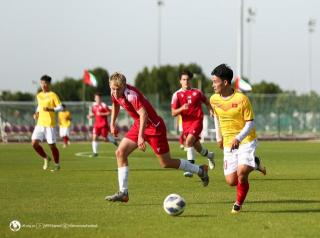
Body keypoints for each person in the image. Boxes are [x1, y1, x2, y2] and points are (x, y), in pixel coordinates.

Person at [105, 72, 209, 202]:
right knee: (120, 152)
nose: (115, 92)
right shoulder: (115, 92)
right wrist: (112, 123)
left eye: (118, 89)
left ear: (124, 86)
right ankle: (123, 192)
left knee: (166, 162)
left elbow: (143, 114)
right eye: (112, 89)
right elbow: (115, 104)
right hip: (139, 125)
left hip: (154, 127)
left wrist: (141, 137)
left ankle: (200, 170)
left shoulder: (131, 95)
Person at [210, 64, 266, 214]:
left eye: (215, 82)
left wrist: (239, 137)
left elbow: (250, 123)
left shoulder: (242, 99)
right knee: (231, 181)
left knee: (242, 173)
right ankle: (255, 162)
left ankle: (238, 204)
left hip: (246, 140)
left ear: (225, 82)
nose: (213, 85)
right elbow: (216, 116)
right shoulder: (214, 99)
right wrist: (218, 137)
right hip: (228, 143)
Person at [171, 70, 216, 178]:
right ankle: (210, 156)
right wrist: (182, 108)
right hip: (186, 124)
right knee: (198, 148)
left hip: (197, 121)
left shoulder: (197, 92)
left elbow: (206, 102)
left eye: (188, 79)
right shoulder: (176, 95)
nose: (186, 81)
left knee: (189, 141)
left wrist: (210, 110)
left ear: (190, 81)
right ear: (180, 81)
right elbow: (173, 113)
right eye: (184, 79)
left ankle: (190, 168)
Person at [31, 75, 63, 171]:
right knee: (34, 143)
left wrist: (50, 109)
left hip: (50, 124)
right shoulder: (39, 95)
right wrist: (36, 113)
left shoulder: (53, 95)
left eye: (45, 83)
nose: (43, 85)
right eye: (41, 83)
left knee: (52, 145)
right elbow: (39, 107)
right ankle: (46, 158)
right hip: (40, 123)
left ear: (49, 84)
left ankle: (57, 165)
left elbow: (60, 107)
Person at [87, 92, 118, 157]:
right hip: (96, 125)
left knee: (105, 138)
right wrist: (90, 116)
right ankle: (95, 153)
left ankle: (113, 141)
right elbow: (95, 113)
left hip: (103, 124)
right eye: (95, 98)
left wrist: (101, 114)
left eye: (98, 98)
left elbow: (109, 113)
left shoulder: (103, 105)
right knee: (94, 137)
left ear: (100, 98)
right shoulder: (94, 106)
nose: (96, 99)